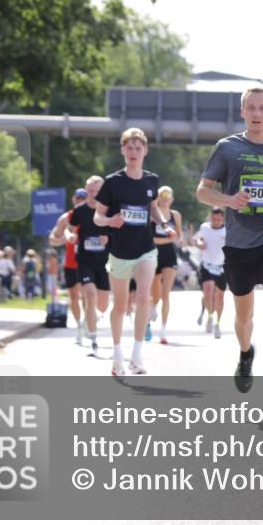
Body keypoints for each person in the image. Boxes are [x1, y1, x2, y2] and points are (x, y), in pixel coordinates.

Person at [196, 86, 263, 416]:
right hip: (239, 243)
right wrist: (229, 201)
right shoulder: (227, 148)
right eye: (251, 108)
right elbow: (203, 191)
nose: (257, 113)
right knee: (244, 319)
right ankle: (245, 353)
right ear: (243, 112)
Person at [94, 127, 174, 376]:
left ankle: (137, 356)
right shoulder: (112, 182)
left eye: (138, 148)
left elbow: (152, 208)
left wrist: (163, 224)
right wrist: (110, 222)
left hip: (145, 250)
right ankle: (118, 355)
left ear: (145, 151)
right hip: (119, 253)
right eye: (129, 147)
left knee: (143, 298)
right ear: (123, 151)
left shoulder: (151, 180)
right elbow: (98, 216)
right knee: (119, 306)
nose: (133, 152)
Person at [67, 177, 111, 356]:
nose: (93, 194)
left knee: (102, 306)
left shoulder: (109, 209)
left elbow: (118, 229)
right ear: (86, 191)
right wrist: (70, 236)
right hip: (84, 260)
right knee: (90, 295)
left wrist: (109, 238)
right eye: (90, 191)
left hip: (105, 262)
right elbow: (68, 228)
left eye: (97, 191)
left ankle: (90, 318)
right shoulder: (79, 211)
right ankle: (93, 340)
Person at [50, 188, 88, 345]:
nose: (80, 200)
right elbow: (52, 238)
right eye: (78, 197)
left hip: (87, 261)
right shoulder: (66, 218)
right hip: (71, 262)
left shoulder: (92, 215)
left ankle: (87, 323)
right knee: (74, 296)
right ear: (74, 199)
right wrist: (64, 240)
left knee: (87, 295)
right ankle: (79, 325)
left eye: (83, 197)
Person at [150, 186, 184, 345]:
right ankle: (150, 313)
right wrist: (169, 239)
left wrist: (180, 240)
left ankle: (163, 330)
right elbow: (151, 239)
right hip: (153, 254)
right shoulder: (153, 214)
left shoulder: (175, 215)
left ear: (172, 198)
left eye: (168, 194)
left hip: (169, 255)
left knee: (166, 294)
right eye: (162, 194)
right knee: (154, 294)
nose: (165, 197)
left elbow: (179, 236)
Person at [194, 207, 228, 338]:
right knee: (208, 292)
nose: (216, 222)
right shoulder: (204, 227)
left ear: (223, 218)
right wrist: (199, 243)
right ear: (210, 218)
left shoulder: (227, 230)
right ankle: (209, 316)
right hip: (207, 264)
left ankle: (218, 323)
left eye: (219, 219)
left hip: (222, 267)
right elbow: (198, 239)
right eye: (214, 219)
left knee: (220, 296)